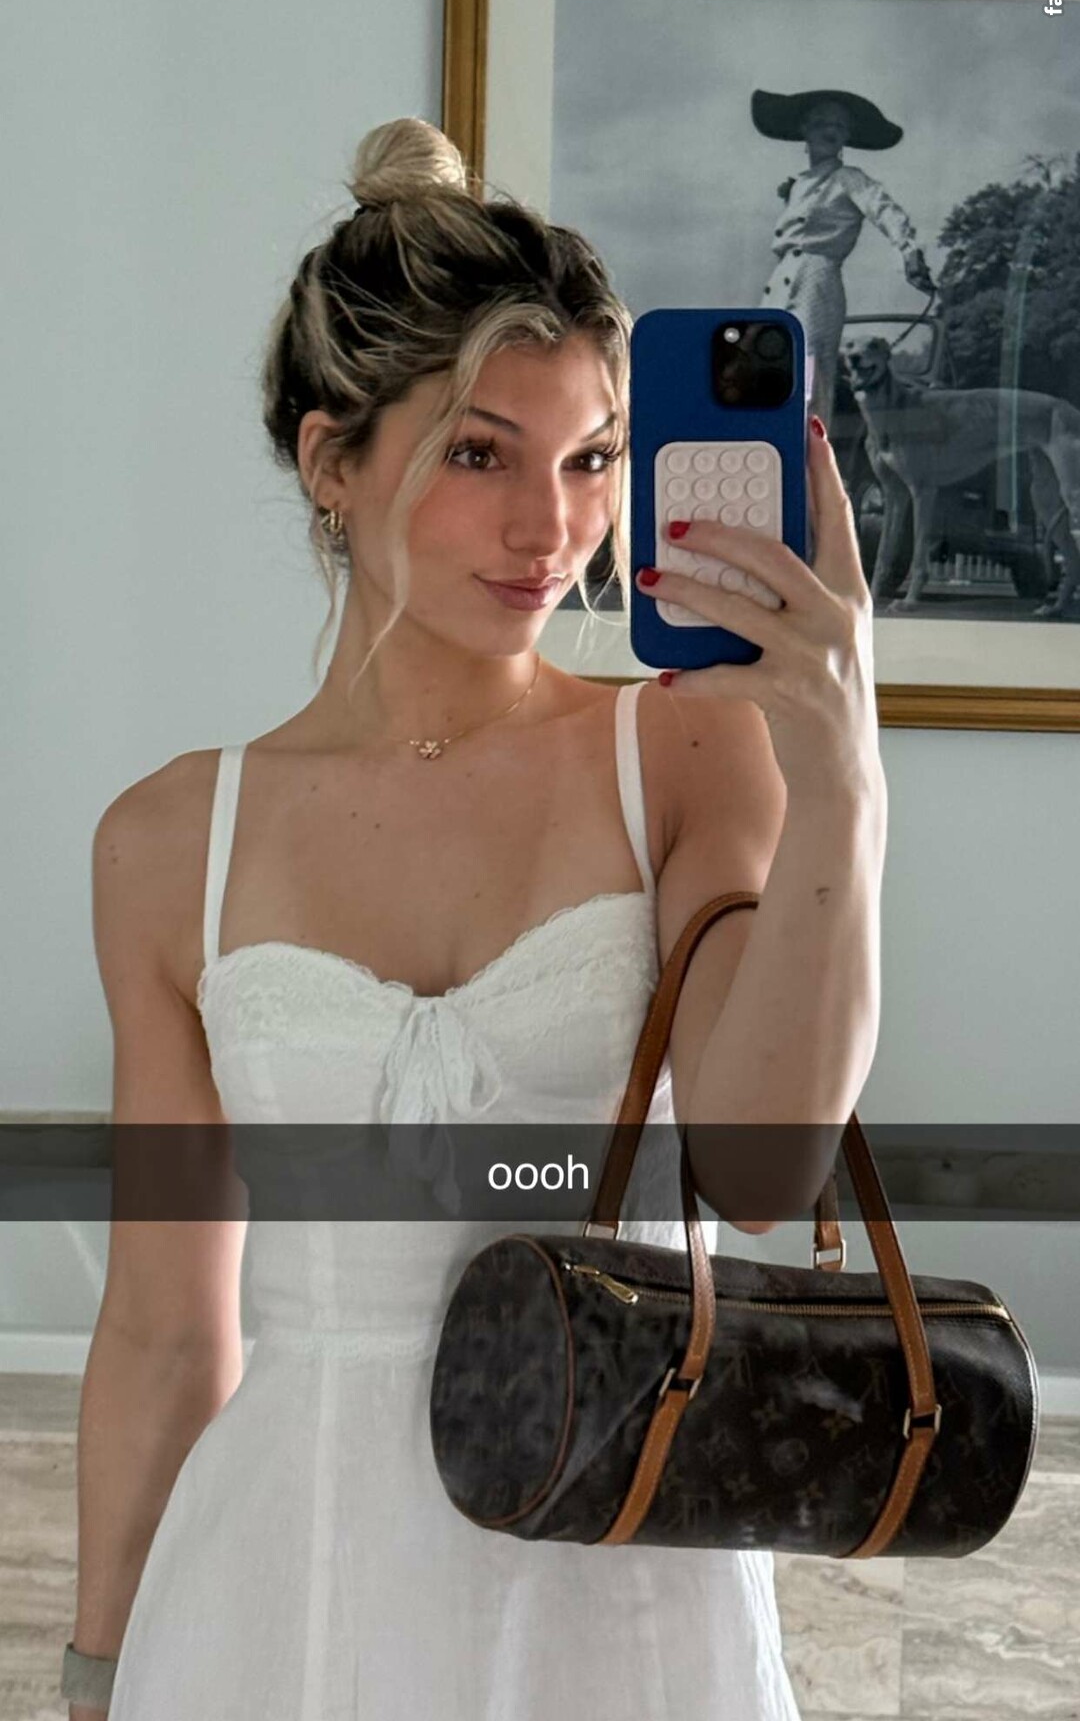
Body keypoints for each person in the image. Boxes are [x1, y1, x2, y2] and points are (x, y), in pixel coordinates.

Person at [66, 116, 887, 1720]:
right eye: (478, 454)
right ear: (331, 462)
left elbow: (766, 1166)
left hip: (624, 1588)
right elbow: (165, 1330)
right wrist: (96, 1671)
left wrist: (843, 776)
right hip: (282, 1596)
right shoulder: (170, 844)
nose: (552, 528)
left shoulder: (684, 756)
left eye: (591, 459)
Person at [752, 86, 936, 429]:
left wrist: (909, 250)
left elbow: (884, 209)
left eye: (839, 126)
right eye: (822, 122)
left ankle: (808, 455)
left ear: (847, 137)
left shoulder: (849, 179)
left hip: (817, 281)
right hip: (779, 284)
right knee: (767, 371)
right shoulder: (797, 186)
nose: (830, 130)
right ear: (804, 129)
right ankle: (771, 449)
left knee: (809, 371)